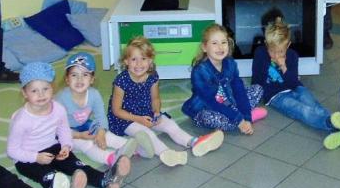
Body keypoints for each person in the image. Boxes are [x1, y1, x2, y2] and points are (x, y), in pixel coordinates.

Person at [7, 62, 129, 188]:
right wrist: (35, 157)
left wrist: (66, 145)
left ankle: (104, 180)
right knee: (51, 177)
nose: (41, 94)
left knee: (78, 165)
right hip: (27, 158)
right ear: (25, 93)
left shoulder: (57, 108)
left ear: (52, 89)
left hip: (53, 146)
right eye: (34, 91)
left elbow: (63, 128)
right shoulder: (22, 120)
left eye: (45, 89)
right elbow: (12, 151)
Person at [108, 37, 225, 167]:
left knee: (170, 125)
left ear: (150, 60)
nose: (139, 64)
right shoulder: (121, 81)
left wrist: (157, 112)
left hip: (146, 112)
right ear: (126, 61)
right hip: (125, 119)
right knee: (147, 134)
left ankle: (194, 142)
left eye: (144, 59)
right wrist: (138, 119)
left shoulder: (152, 76)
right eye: (134, 59)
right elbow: (116, 110)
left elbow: (155, 98)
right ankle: (167, 153)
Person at [251, 17, 340, 149]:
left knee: (313, 104)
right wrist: (257, 97)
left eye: (280, 51)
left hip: (296, 87)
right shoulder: (260, 54)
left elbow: (294, 82)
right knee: (301, 110)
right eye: (272, 51)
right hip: (275, 96)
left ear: (288, 45)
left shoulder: (292, 56)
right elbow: (256, 80)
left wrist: (284, 68)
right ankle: (330, 124)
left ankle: (338, 128)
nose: (276, 55)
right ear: (266, 44)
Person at [55, 52, 155, 166]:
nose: (79, 79)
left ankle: (138, 149)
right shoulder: (61, 99)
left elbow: (101, 116)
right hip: (66, 132)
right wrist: (79, 135)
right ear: (67, 79)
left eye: (85, 75)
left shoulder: (94, 94)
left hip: (84, 125)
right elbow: (57, 127)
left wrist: (101, 132)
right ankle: (111, 158)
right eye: (74, 75)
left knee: (107, 135)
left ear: (92, 79)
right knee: (86, 145)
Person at [182, 24, 267, 133]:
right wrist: (239, 120)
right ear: (204, 47)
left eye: (223, 42)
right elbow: (212, 101)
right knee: (207, 117)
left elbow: (238, 89)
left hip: (228, 101)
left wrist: (246, 117)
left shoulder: (230, 63)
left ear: (228, 44)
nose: (220, 47)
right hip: (207, 107)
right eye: (214, 43)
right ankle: (241, 120)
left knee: (258, 89)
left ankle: (245, 117)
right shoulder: (200, 71)